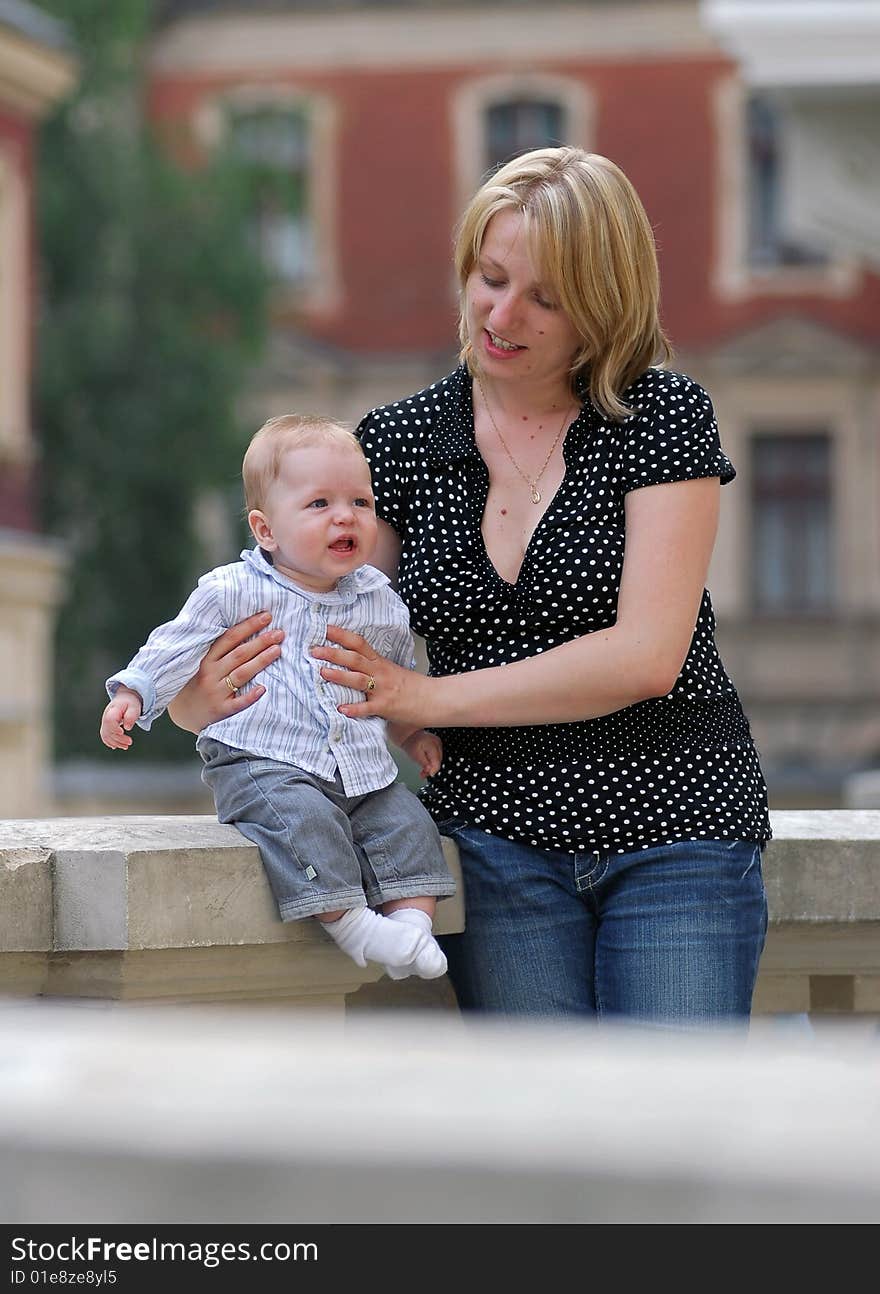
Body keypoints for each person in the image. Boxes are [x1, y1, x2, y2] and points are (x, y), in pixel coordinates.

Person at [168, 147, 772, 1024]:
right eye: (489, 277)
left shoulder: (663, 416)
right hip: (490, 842)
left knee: (669, 1137)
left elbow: (646, 656)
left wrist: (424, 695)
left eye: (545, 298)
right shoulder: (399, 441)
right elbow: (319, 628)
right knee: (535, 1141)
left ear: (602, 307)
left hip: (676, 822)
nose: (501, 312)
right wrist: (195, 704)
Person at [100, 414, 455, 980]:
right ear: (266, 530)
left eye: (361, 502)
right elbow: (174, 646)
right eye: (319, 504)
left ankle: (410, 928)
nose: (346, 516)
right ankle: (357, 929)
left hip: (357, 766)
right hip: (260, 759)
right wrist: (133, 694)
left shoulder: (380, 600)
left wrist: (412, 733)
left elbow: (393, 678)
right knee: (302, 822)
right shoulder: (233, 589)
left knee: (407, 819)